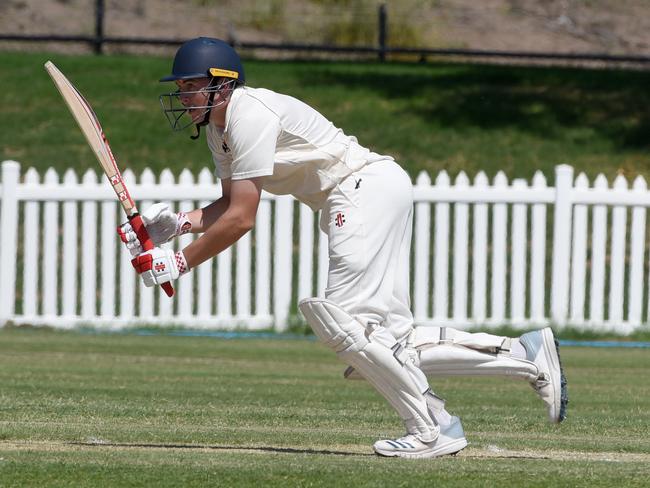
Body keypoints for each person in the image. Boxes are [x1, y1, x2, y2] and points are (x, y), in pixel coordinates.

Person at [118, 37, 568, 459]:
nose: (184, 96)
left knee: (347, 327)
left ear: (223, 82)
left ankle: (434, 427)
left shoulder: (247, 113)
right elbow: (232, 205)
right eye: (181, 88)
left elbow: (242, 220)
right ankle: (524, 355)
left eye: (192, 86)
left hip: (358, 189)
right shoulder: (220, 132)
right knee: (386, 342)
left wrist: (179, 262)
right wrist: (177, 225)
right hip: (368, 189)